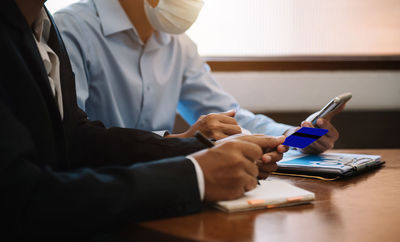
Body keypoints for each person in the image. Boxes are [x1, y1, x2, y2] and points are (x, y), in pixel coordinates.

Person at [0, 0, 286, 242]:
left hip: (93, 218)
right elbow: (26, 198)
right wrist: (195, 173)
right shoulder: (70, 26)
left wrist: (197, 150)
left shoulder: (42, 22)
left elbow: (75, 135)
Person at [54, 0, 341, 154]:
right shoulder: (71, 30)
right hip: (101, 195)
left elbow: (228, 116)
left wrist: (295, 136)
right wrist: (177, 142)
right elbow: (74, 137)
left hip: (165, 187)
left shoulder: (179, 44)